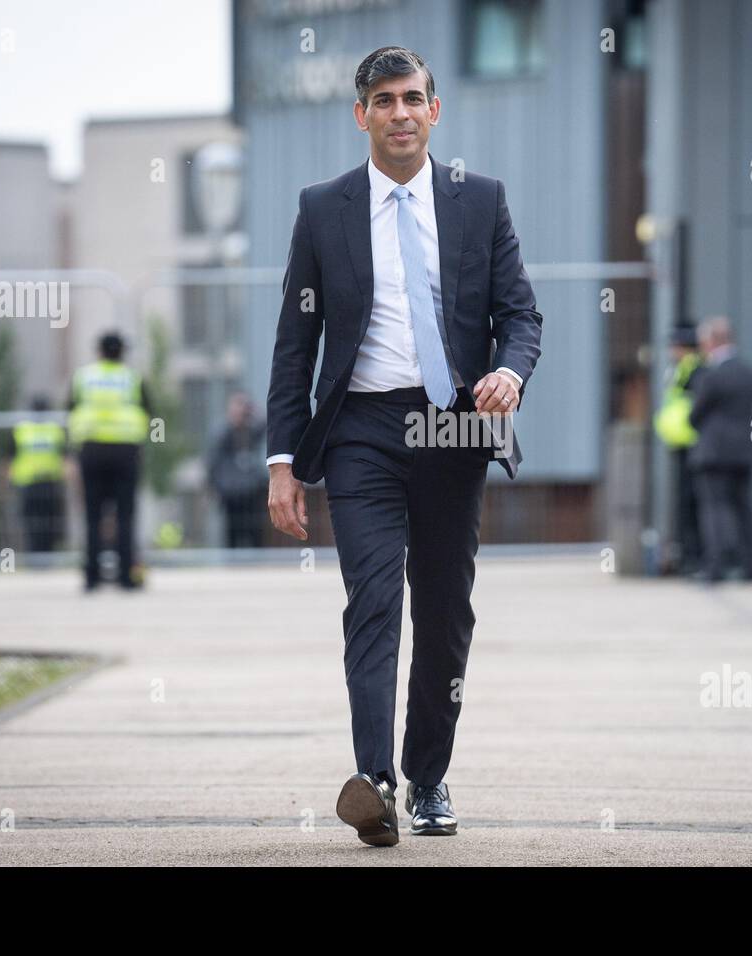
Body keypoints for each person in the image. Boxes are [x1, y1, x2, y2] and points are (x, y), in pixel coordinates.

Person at [266, 46, 542, 846]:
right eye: (383, 100)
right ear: (361, 115)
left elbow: (520, 314)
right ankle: (374, 781)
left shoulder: (479, 200)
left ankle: (427, 777)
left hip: (453, 427)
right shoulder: (323, 209)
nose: (399, 113)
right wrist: (282, 461)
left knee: (446, 611)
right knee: (374, 601)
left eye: (412, 98)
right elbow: (295, 345)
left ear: (434, 110)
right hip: (361, 432)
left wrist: (509, 373)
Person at [67, 331, 152, 592]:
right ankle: (126, 577)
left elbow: (70, 410)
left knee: (92, 517)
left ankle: (91, 578)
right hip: (125, 452)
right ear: (122, 352)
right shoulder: (132, 378)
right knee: (125, 516)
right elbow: (149, 412)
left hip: (91, 450)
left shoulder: (83, 377)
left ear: (99, 351)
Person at [688, 315, 752, 583]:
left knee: (714, 508)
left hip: (713, 452)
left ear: (711, 341)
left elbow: (695, 414)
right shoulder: (750, 373)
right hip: (744, 451)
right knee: (744, 508)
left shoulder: (711, 375)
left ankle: (715, 567)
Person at [654, 323, 705, 574]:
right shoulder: (681, 369)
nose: (671, 351)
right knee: (686, 503)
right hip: (682, 444)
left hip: (695, 445)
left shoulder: (696, 370)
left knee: (693, 503)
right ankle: (690, 557)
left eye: (675, 346)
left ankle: (696, 559)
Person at [5, 395, 66, 554]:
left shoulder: (22, 430)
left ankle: (37, 558)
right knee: (44, 525)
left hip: (32, 485)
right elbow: (66, 461)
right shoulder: (55, 430)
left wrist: (4, 485)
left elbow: (8, 461)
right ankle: (41, 559)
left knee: (36, 526)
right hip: (45, 484)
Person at [207, 391, 267, 548]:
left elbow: (267, 423)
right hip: (231, 495)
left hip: (252, 492)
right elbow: (212, 462)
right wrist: (215, 487)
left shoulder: (251, 430)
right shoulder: (222, 433)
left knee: (256, 534)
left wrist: (252, 411)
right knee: (232, 536)